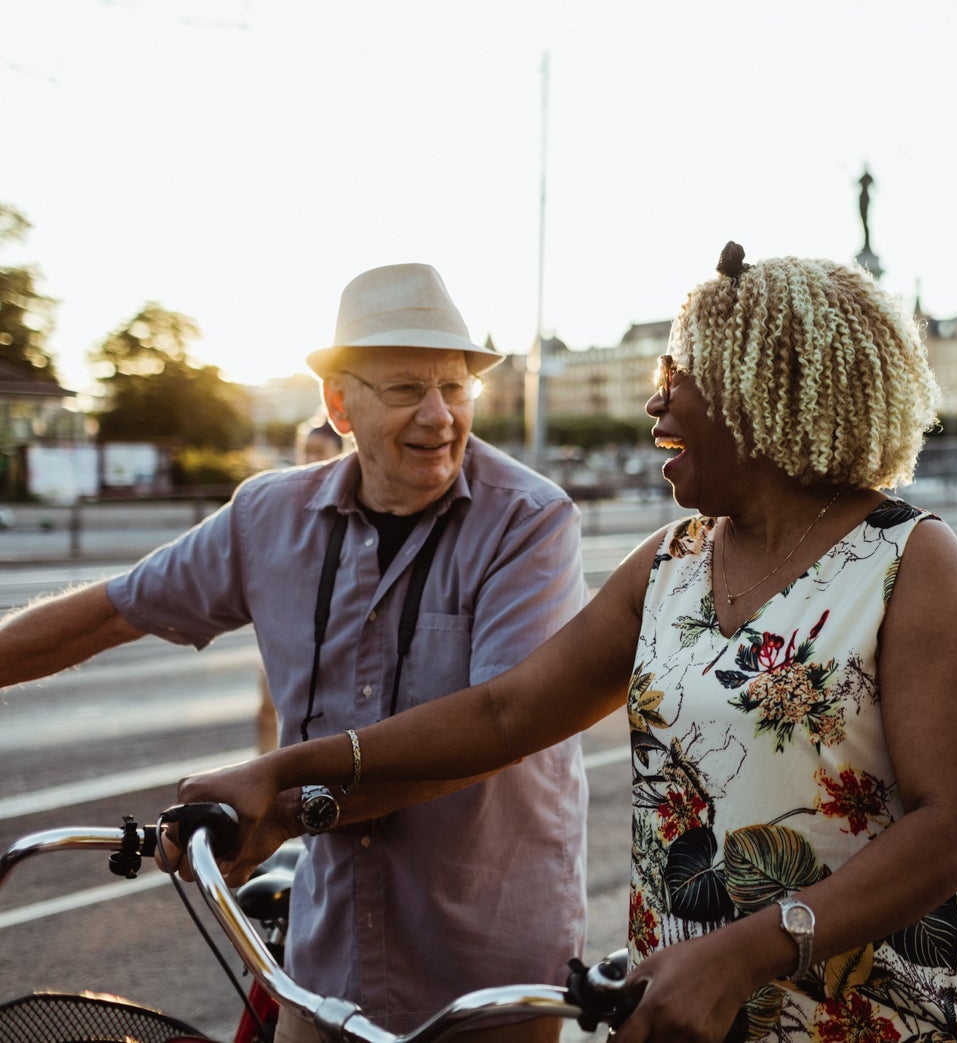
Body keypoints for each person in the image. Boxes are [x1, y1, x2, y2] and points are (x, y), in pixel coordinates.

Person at [180, 243, 957, 1043]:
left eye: (677, 376)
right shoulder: (669, 564)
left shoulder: (911, 559)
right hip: (693, 1012)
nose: (655, 402)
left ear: (761, 392)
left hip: (878, 1010)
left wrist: (744, 952)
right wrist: (285, 775)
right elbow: (505, 711)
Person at [0, 263, 589, 1043]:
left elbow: (494, 732)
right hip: (327, 959)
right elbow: (113, 609)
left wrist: (284, 805)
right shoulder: (268, 516)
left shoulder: (530, 523)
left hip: (485, 970)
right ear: (340, 404)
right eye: (407, 389)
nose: (441, 416)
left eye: (458, 386)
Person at [255, 416, 347, 755]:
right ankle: (264, 781)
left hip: (330, 633)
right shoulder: (287, 500)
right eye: (305, 450)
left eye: (318, 450)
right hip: (284, 624)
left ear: (341, 451)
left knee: (320, 722)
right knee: (267, 711)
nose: (310, 458)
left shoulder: (351, 502)